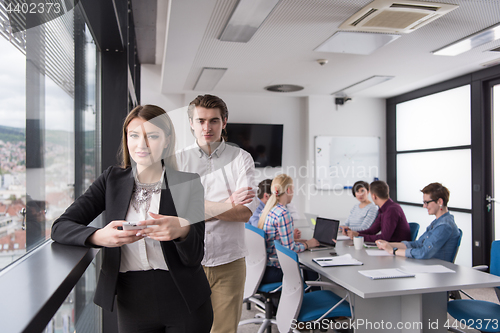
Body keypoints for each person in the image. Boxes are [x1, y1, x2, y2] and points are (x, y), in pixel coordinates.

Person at [51, 105, 213, 333]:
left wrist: (182, 231)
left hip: (184, 298)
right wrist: (99, 236)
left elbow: (196, 255)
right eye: (134, 135)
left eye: (152, 136)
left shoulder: (187, 183)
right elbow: (60, 227)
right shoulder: (111, 180)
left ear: (167, 140)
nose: (142, 144)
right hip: (131, 300)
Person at [176, 94, 259, 333]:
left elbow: (244, 212)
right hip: (186, 262)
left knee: (224, 330)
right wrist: (226, 204)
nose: (207, 127)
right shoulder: (178, 160)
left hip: (229, 262)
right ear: (191, 123)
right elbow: (178, 212)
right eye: (200, 120)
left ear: (224, 122)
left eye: (213, 120)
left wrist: (197, 209)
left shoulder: (241, 159)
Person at [258, 174, 320, 284]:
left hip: (262, 269)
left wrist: (297, 240)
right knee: (311, 269)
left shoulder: (269, 210)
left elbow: (276, 240)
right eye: (293, 189)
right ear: (288, 189)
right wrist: (308, 244)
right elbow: (290, 250)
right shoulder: (283, 213)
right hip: (275, 269)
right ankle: (312, 298)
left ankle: (306, 297)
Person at [376, 183, 461, 261]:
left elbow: (424, 253)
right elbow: (417, 244)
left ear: (439, 202)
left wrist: (393, 251)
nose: (424, 206)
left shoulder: (445, 226)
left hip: (436, 271)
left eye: (426, 202)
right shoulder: (437, 223)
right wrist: (389, 244)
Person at [345, 180, 411, 242]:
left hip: (396, 248)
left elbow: (384, 238)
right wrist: (356, 233)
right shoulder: (383, 209)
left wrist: (359, 236)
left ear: (374, 196)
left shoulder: (391, 210)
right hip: (389, 246)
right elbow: (372, 230)